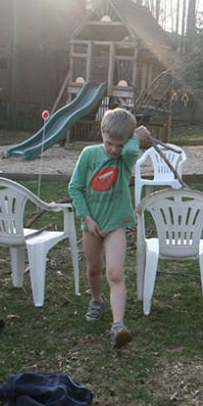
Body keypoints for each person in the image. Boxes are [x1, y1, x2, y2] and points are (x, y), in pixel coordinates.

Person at [68, 108, 149, 348]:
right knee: (94, 268)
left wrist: (135, 137)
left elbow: (133, 149)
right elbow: (75, 188)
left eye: (118, 144)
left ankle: (118, 325)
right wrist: (87, 218)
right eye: (108, 143)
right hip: (92, 223)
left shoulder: (125, 159)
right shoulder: (89, 155)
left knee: (114, 273)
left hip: (115, 224)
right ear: (101, 134)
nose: (113, 149)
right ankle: (96, 300)